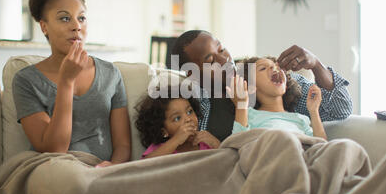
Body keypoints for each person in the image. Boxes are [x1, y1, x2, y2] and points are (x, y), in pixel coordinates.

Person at [12, 0, 131, 168]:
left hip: (104, 173)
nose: (77, 26)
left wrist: (112, 168)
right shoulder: (26, 80)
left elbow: (123, 145)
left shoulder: (110, 74)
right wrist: (66, 82)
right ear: (44, 27)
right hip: (55, 168)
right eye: (65, 18)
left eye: (81, 18)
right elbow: (54, 149)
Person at [171, 30, 352, 141]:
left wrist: (316, 65)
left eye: (221, 49)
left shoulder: (262, 77)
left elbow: (341, 108)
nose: (224, 60)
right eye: (210, 60)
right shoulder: (192, 105)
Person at [227, 56, 327, 140]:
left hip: (301, 155)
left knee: (341, 146)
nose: (273, 68)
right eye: (263, 68)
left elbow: (321, 146)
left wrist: (314, 111)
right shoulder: (249, 115)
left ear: (286, 85)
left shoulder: (300, 118)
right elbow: (238, 142)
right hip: (273, 155)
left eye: (275, 66)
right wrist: (241, 105)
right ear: (251, 87)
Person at [135, 87, 220, 159]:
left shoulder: (205, 144)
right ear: (163, 131)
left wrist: (217, 145)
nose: (188, 119)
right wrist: (176, 141)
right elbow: (144, 167)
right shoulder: (161, 150)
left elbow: (226, 165)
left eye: (190, 111)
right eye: (177, 118)